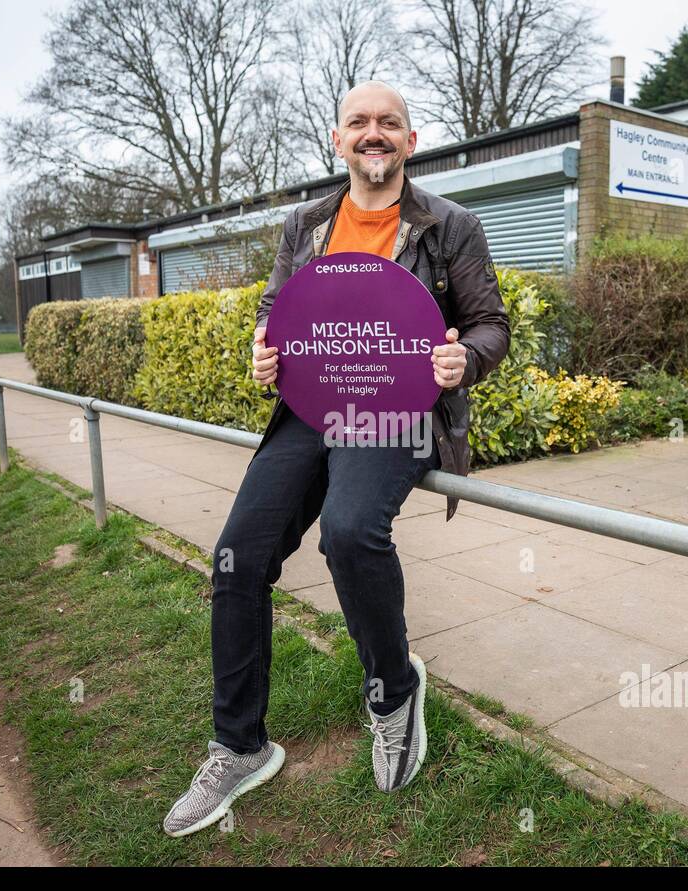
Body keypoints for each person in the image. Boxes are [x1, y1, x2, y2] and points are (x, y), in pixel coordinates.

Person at [164, 80, 510, 837]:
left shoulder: (450, 226)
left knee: (350, 533)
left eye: (390, 124)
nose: (374, 133)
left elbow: (489, 323)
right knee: (235, 557)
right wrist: (265, 353)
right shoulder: (306, 223)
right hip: (310, 409)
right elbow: (274, 312)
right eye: (360, 122)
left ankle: (393, 692)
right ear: (338, 139)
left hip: (394, 408)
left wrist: (465, 363)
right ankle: (238, 746)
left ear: (411, 143)